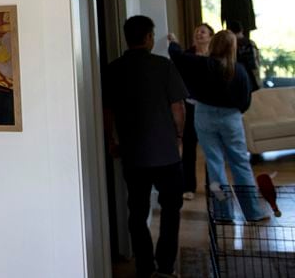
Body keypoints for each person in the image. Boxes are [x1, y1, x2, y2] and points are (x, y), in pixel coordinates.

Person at [103, 15, 187, 278]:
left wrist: (110, 141)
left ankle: (144, 267)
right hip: (166, 153)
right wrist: (179, 136)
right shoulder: (164, 66)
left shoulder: (113, 69)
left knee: (137, 212)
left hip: (133, 153)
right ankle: (165, 266)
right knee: (171, 210)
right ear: (149, 37)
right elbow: (178, 108)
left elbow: (107, 112)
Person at [168, 30, 269, 223]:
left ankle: (223, 213)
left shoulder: (201, 64)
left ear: (213, 45)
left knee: (215, 166)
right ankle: (253, 212)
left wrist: (173, 42)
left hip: (204, 115)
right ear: (232, 48)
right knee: (240, 164)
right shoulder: (239, 70)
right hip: (231, 118)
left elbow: (178, 56)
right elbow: (245, 102)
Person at [175, 22, 214, 201]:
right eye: (197, 31)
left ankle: (213, 187)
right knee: (189, 148)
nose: (199, 34)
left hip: (211, 108)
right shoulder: (187, 55)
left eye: (203, 32)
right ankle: (188, 187)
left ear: (210, 37)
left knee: (212, 150)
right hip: (191, 107)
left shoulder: (215, 56)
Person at [226, 19, 261, 91]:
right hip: (251, 77)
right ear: (242, 30)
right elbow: (255, 62)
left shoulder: (230, 45)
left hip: (237, 77)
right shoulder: (251, 43)